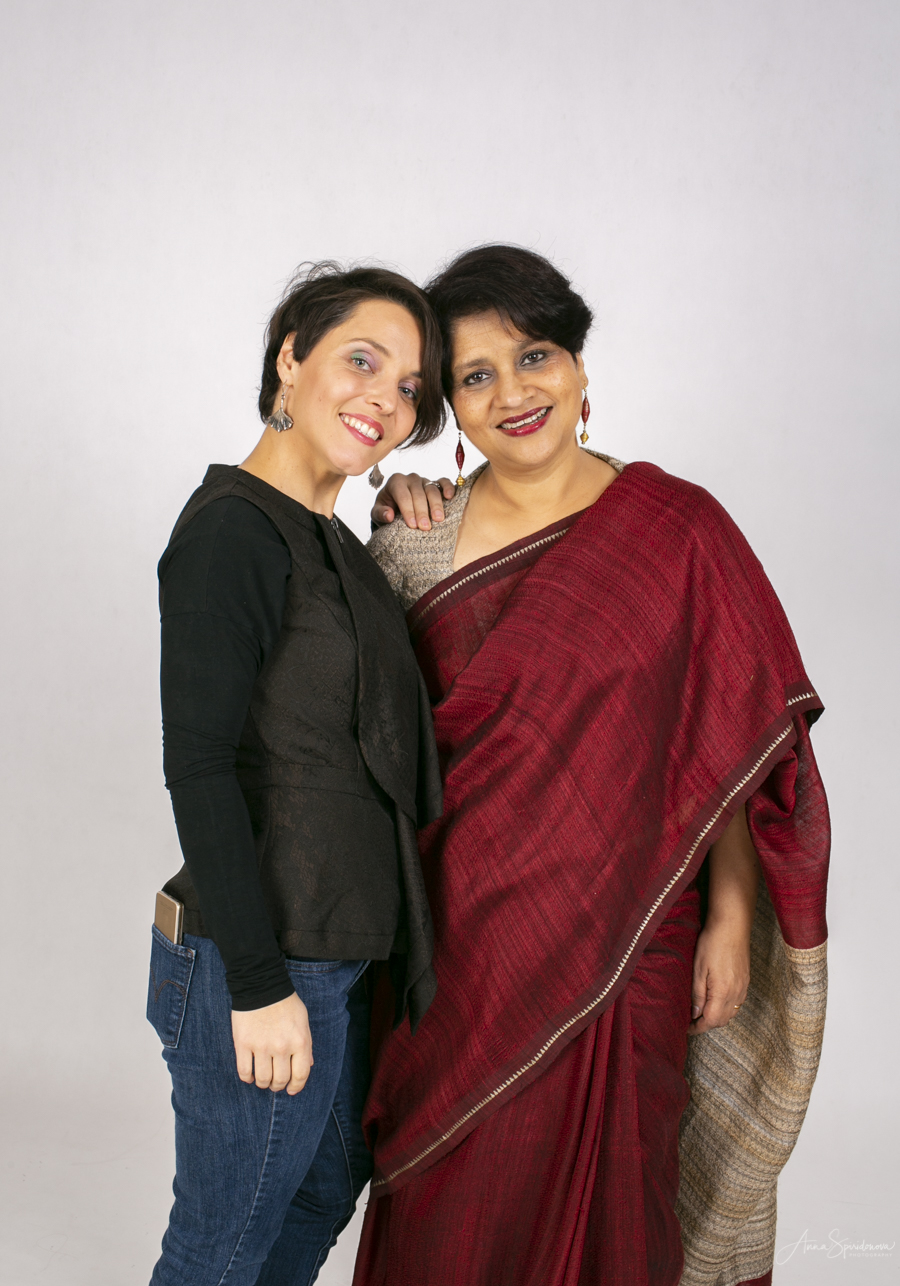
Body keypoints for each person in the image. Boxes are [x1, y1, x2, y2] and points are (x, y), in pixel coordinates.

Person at [353, 245, 830, 1286]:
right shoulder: (413, 547)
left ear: (578, 368)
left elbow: (727, 742)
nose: (512, 393)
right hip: (457, 953)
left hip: (635, 937)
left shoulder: (679, 531)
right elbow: (369, 756)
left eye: (535, 356)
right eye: (476, 376)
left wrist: (732, 915)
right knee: (451, 1213)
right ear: (449, 406)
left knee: (624, 1201)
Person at [147, 262, 446, 1286]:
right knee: (220, 1249)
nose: (385, 398)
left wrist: (407, 514)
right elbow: (198, 764)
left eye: (409, 386)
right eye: (362, 360)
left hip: (345, 953)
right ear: (291, 357)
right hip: (267, 957)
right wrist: (260, 983)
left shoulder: (335, 545)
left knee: (319, 1195)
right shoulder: (231, 529)